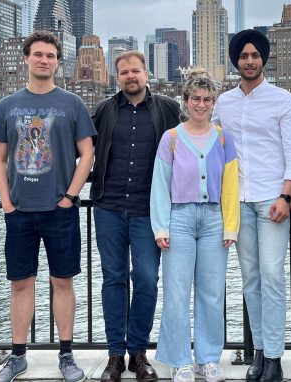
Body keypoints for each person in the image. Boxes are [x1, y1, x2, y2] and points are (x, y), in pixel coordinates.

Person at [0, 30, 96, 382]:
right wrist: (6, 203)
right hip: (20, 211)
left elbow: (88, 154)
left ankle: (66, 355)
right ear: (26, 58)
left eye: (50, 55)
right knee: (20, 283)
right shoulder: (7, 105)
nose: (44, 60)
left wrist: (69, 197)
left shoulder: (72, 104)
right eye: (38, 54)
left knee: (62, 282)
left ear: (57, 62)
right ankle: (17, 356)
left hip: (59, 211)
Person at [213, 29, 291, 382]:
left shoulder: (282, 99)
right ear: (236, 61)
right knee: (250, 277)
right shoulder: (224, 102)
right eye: (243, 56)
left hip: (272, 200)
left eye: (254, 55)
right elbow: (211, 141)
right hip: (238, 199)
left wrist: (285, 194)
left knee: (272, 275)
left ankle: (276, 358)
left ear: (263, 59)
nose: (249, 61)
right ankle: (261, 353)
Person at [91, 51, 180, 382]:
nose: (131, 76)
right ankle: (116, 354)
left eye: (136, 71)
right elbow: (84, 150)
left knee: (146, 278)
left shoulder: (168, 109)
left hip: (149, 210)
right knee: (113, 278)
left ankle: (138, 353)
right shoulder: (104, 109)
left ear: (147, 74)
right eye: (124, 72)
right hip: (109, 207)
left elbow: (185, 150)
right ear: (117, 78)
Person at [150, 68, 240, 382]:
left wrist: (231, 226)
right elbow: (160, 184)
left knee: (212, 292)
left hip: (214, 220)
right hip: (180, 219)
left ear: (213, 103)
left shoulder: (223, 138)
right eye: (196, 99)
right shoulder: (171, 138)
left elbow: (230, 184)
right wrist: (161, 227)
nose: (201, 104)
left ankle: (208, 357)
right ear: (186, 101)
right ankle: (179, 359)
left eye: (207, 99)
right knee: (176, 292)